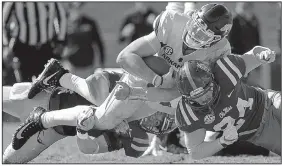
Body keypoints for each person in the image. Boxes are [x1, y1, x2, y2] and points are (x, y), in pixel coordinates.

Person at [25, 3, 234, 136]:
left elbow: (205, 90)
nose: (195, 34)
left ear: (217, 39)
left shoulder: (219, 52)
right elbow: (124, 57)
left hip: (167, 90)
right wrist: (158, 80)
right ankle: (43, 119)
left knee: (104, 104)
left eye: (204, 34)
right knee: (102, 120)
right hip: (147, 75)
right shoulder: (173, 22)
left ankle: (60, 77)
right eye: (196, 26)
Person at [115, 52, 279, 159]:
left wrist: (263, 55)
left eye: (207, 91)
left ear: (213, 80)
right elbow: (195, 152)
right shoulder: (187, 113)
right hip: (259, 132)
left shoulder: (224, 70)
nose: (206, 98)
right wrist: (222, 141)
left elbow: (253, 56)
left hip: (269, 101)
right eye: (198, 97)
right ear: (186, 97)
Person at [3, 69, 177, 163]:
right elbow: (101, 78)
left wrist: (82, 131)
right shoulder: (136, 92)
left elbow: (88, 148)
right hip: (48, 95)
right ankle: (59, 76)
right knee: (103, 110)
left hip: (54, 130)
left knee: (10, 160)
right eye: (160, 117)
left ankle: (43, 118)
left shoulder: (135, 137)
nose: (154, 122)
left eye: (158, 127)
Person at [3, 2, 67, 82]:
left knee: (47, 85)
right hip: (23, 49)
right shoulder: (14, 2)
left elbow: (62, 18)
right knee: (24, 86)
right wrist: (6, 45)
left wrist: (60, 41)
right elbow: (3, 22)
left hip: (45, 48)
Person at [62, 2, 105, 78]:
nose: (77, 10)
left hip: (87, 62)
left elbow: (98, 42)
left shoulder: (89, 23)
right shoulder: (63, 22)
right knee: (70, 86)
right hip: (70, 63)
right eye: (74, 7)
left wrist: (101, 62)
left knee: (86, 86)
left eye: (79, 7)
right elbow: (57, 41)